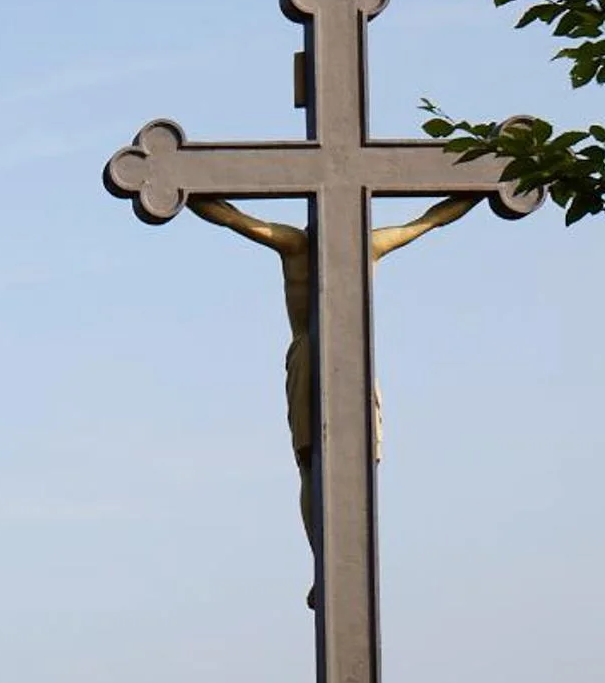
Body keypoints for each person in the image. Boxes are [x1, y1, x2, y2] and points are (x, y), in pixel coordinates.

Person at [188, 194, 477, 606]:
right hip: (334, 354)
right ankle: (331, 564)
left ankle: (334, 563)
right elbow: (431, 220)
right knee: (329, 465)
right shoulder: (364, 246)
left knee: (327, 466)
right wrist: (482, 189)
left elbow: (230, 217)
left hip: (328, 354)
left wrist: (187, 192)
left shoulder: (296, 244)